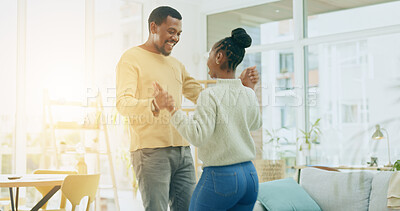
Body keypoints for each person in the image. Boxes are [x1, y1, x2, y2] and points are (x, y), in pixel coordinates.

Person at [116, 6, 259, 211]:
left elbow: (206, 97)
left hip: (183, 151)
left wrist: (239, 88)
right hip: (151, 152)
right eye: (171, 31)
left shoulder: (175, 64)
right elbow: (122, 103)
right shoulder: (131, 58)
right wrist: (154, 103)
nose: (176, 38)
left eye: (179, 33)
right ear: (153, 27)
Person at [154, 28, 262, 210]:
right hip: (250, 177)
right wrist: (249, 89)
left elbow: (197, 136)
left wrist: (171, 108)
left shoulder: (209, 96)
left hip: (222, 177)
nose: (208, 60)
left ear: (219, 57)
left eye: (210, 54)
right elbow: (255, 123)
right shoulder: (248, 92)